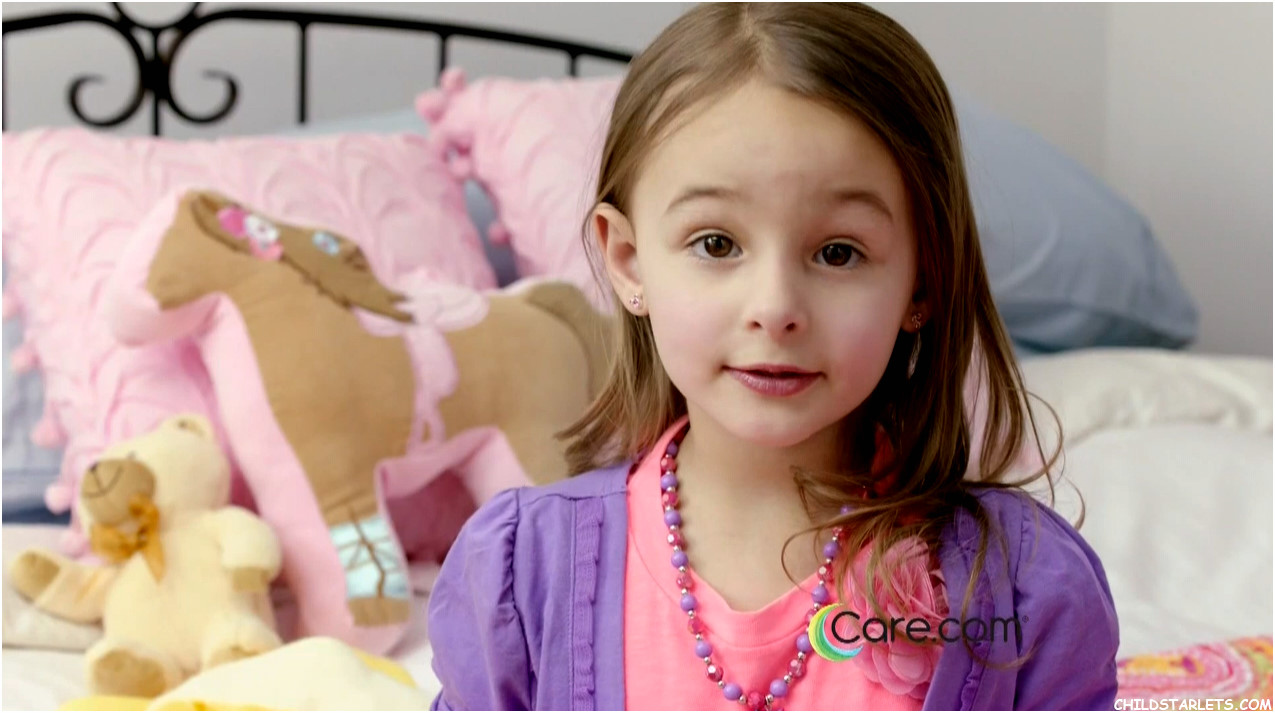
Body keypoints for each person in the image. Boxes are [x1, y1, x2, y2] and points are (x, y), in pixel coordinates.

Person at [427, 3, 1119, 710]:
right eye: (716, 244)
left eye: (838, 252)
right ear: (629, 260)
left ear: (923, 282)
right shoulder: (524, 578)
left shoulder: (1024, 589)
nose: (776, 306)